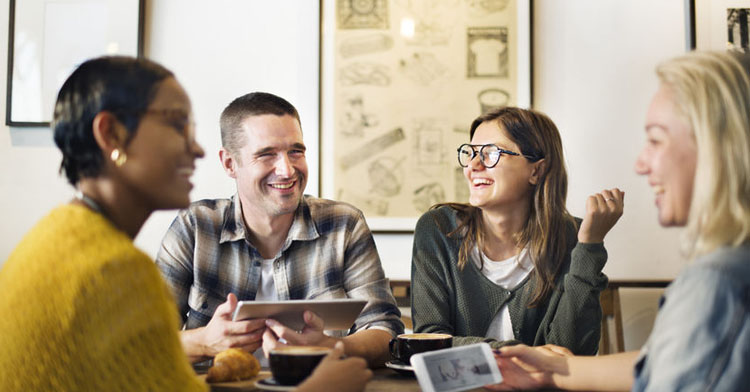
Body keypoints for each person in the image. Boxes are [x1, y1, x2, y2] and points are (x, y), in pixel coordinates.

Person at [0, 56, 372, 392]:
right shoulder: (113, 270)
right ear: (111, 135)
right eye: (176, 125)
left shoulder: (55, 239)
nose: (196, 149)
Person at [490, 51, 750, 391]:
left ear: (720, 147)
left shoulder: (717, 281)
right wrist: (551, 370)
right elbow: (657, 363)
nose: (641, 164)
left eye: (656, 139)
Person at [155, 92, 403, 367]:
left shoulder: (344, 224)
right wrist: (203, 342)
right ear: (229, 164)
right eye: (266, 154)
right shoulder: (196, 227)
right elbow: (139, 341)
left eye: (295, 151)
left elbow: (387, 333)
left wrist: (333, 346)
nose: (287, 170)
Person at [410, 107, 624, 355]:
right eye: (470, 153)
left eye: (491, 153)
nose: (473, 166)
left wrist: (590, 246)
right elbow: (430, 341)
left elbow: (573, 352)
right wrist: (525, 354)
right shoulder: (438, 230)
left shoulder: (573, 237)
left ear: (536, 171)